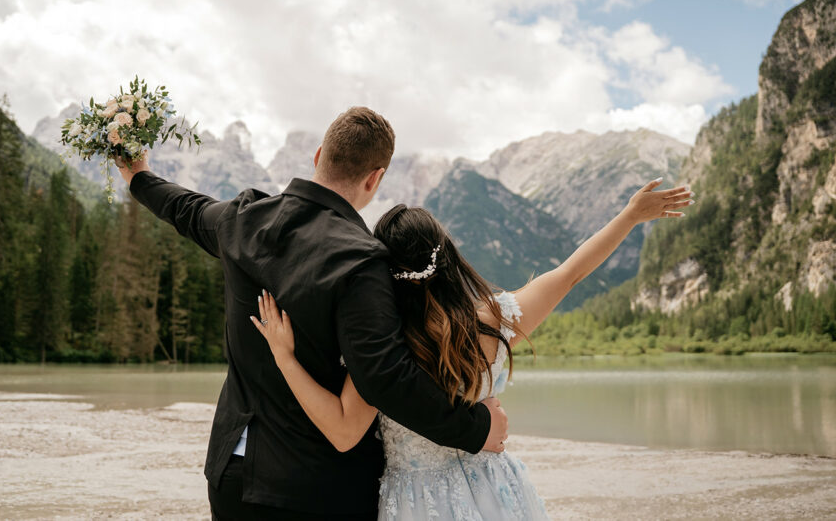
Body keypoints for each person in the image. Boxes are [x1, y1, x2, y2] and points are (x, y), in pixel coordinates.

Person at [116, 106, 508, 521]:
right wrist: (475, 429)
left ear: (319, 155)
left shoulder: (243, 220)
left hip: (231, 475)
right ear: (374, 179)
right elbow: (385, 377)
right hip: (316, 489)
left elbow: (187, 209)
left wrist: (139, 175)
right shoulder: (361, 261)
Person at [251, 181, 693, 519]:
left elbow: (344, 432)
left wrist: (284, 357)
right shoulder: (492, 322)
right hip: (495, 488)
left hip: (415, 503)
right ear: (447, 258)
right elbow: (571, 273)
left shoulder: (380, 351)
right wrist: (630, 215)